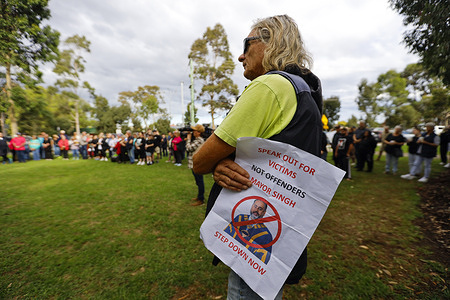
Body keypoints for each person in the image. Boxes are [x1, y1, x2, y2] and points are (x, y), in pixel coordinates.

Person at [193, 15, 322, 299]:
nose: (241, 55)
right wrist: (231, 163)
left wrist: (217, 163)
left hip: (251, 229)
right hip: (279, 229)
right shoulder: (304, 88)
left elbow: (200, 161)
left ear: (269, 42)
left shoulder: (269, 85)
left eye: (246, 44)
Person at [224, 199, 273, 264]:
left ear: (264, 213)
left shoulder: (266, 235)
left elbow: (263, 259)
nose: (256, 210)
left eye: (260, 209)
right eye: (255, 206)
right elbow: (225, 234)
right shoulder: (240, 218)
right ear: (251, 206)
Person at [185, 124, 206, 206]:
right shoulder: (197, 139)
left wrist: (188, 139)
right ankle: (199, 197)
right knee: (198, 181)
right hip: (194, 164)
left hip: (196, 164)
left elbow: (188, 148)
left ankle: (201, 200)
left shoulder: (199, 140)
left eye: (194, 131)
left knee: (200, 181)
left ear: (199, 132)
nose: (193, 132)